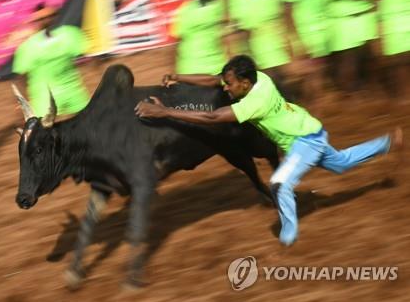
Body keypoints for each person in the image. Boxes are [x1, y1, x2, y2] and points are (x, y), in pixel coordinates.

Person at [134, 55, 403, 246]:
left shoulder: (254, 103)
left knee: (279, 183)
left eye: (230, 84)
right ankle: (385, 143)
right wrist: (178, 77)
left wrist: (163, 111)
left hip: (305, 140)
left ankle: (288, 235)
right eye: (226, 82)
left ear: (245, 84)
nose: (225, 87)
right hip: (310, 128)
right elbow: (212, 80)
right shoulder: (257, 77)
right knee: (341, 163)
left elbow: (213, 118)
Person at [12, 6, 90, 118]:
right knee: (47, 130)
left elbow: (88, 55)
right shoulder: (28, 47)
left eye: (49, 16)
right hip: (45, 96)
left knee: (88, 119)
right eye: (42, 18)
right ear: (36, 21)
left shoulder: (68, 34)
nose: (46, 20)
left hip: (71, 90)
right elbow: (20, 77)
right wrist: (22, 101)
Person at [170, 0, 227, 75]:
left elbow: (177, 39)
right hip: (200, 69)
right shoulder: (219, 5)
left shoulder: (187, 9)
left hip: (199, 68)